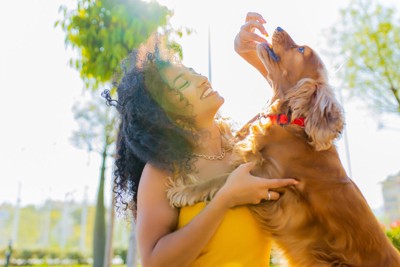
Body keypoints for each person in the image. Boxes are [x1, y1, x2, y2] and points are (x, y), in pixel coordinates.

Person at [104, 12, 298, 267]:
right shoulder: (163, 171)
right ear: (168, 114)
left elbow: (297, 101)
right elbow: (154, 261)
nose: (201, 80)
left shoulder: (245, 146)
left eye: (193, 72)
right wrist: (225, 198)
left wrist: (252, 54)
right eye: (185, 83)